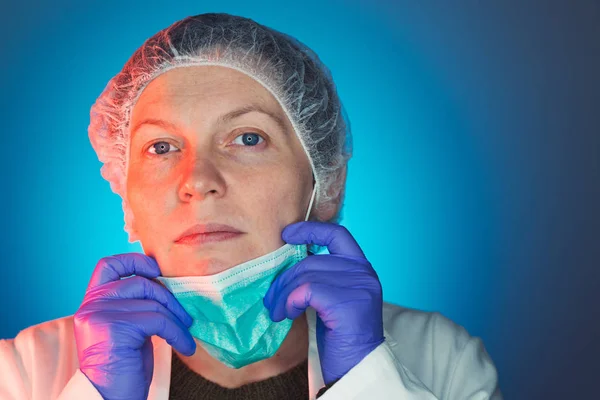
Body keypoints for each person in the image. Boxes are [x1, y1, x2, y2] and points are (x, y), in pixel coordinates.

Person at [0, 12, 502, 400]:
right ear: (126, 195)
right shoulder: (24, 371)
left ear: (325, 182)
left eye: (246, 137)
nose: (197, 180)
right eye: (160, 148)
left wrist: (366, 378)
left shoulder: (442, 359)